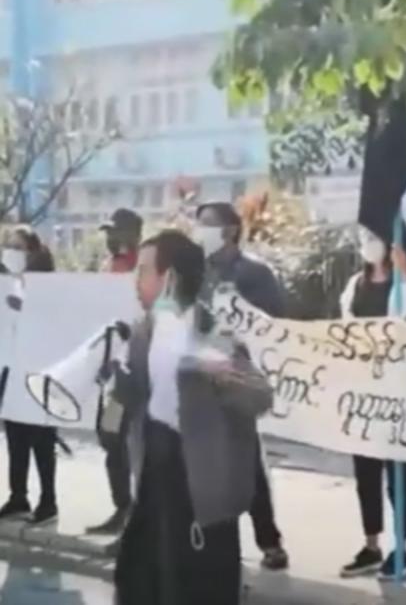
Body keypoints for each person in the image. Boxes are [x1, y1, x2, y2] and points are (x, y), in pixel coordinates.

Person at [113, 229, 272, 605]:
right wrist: (110, 379)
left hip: (198, 486)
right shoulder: (143, 331)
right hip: (153, 478)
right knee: (139, 581)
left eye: (144, 270)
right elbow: (133, 396)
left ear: (169, 278)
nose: (136, 280)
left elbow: (260, 396)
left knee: (194, 588)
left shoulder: (212, 332)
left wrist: (221, 376)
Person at [339, 225, 406, 580]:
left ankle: (402, 547)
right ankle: (371, 545)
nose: (368, 244)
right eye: (363, 238)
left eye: (374, 237)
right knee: (365, 472)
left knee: (399, 473)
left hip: (399, 395)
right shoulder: (355, 285)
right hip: (364, 395)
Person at [191, 201, 290, 571]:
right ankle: (215, 541)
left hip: (240, 379)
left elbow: (273, 324)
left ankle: (269, 541)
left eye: (207, 224)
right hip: (202, 378)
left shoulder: (254, 273)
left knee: (246, 461)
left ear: (231, 230)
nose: (200, 232)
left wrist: (237, 339)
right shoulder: (197, 273)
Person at [87, 209, 144, 535]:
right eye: (108, 232)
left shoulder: (146, 268)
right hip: (115, 377)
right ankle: (123, 507)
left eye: (116, 231)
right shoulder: (110, 267)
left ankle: (142, 515)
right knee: (110, 436)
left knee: (145, 445)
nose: (110, 238)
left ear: (133, 233)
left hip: (143, 374)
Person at [0, 227, 59, 526]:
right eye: (9, 246)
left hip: (40, 371)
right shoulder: (6, 284)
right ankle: (18, 496)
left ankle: (48, 500)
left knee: (42, 439)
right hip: (11, 370)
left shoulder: (49, 286)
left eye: (19, 247)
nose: (12, 252)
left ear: (33, 251)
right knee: (15, 437)